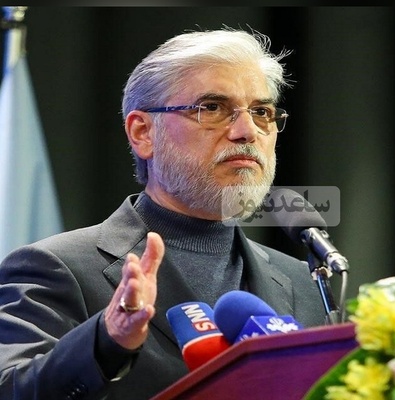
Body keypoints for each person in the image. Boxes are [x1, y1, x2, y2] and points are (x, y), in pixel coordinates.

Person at [0, 28, 326, 400]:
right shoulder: (58, 267)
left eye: (261, 112)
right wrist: (108, 340)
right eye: (212, 108)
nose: (246, 131)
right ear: (143, 133)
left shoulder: (303, 282)